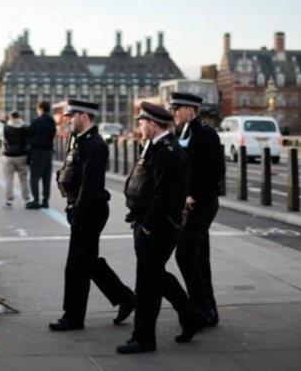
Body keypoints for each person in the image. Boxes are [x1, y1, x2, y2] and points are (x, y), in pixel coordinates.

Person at [117, 101, 201, 354]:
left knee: (147, 284)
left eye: (142, 122)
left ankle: (143, 338)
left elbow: (163, 197)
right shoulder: (154, 147)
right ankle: (191, 315)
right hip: (147, 222)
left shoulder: (167, 152)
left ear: (153, 125)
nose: (140, 126)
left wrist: (148, 228)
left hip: (157, 228)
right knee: (156, 276)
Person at [49, 99, 136, 332]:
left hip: (89, 210)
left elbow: (90, 184)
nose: (68, 119)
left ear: (84, 117)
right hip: (80, 208)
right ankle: (125, 297)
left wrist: (77, 212)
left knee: (76, 265)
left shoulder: (94, 144)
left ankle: (73, 318)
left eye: (72, 116)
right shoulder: (77, 140)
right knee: (87, 261)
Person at [169, 92, 225, 328]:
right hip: (187, 204)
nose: (174, 113)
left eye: (177, 109)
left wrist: (194, 195)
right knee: (200, 257)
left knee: (185, 253)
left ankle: (201, 306)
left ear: (191, 110)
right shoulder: (181, 132)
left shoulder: (205, 133)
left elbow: (216, 172)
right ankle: (209, 308)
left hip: (202, 204)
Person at [0, 111, 31, 209]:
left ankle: (9, 201)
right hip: (22, 156)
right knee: (24, 179)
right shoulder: (25, 127)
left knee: (9, 179)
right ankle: (27, 199)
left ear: (10, 118)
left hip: (8, 157)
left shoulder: (5, 128)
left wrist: (1, 121)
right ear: (19, 117)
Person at [26, 101, 57, 209]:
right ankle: (45, 201)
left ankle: (35, 201)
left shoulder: (37, 121)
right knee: (46, 178)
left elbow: (28, 134)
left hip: (38, 153)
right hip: (48, 152)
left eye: (37, 109)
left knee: (34, 177)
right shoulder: (52, 121)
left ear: (41, 108)